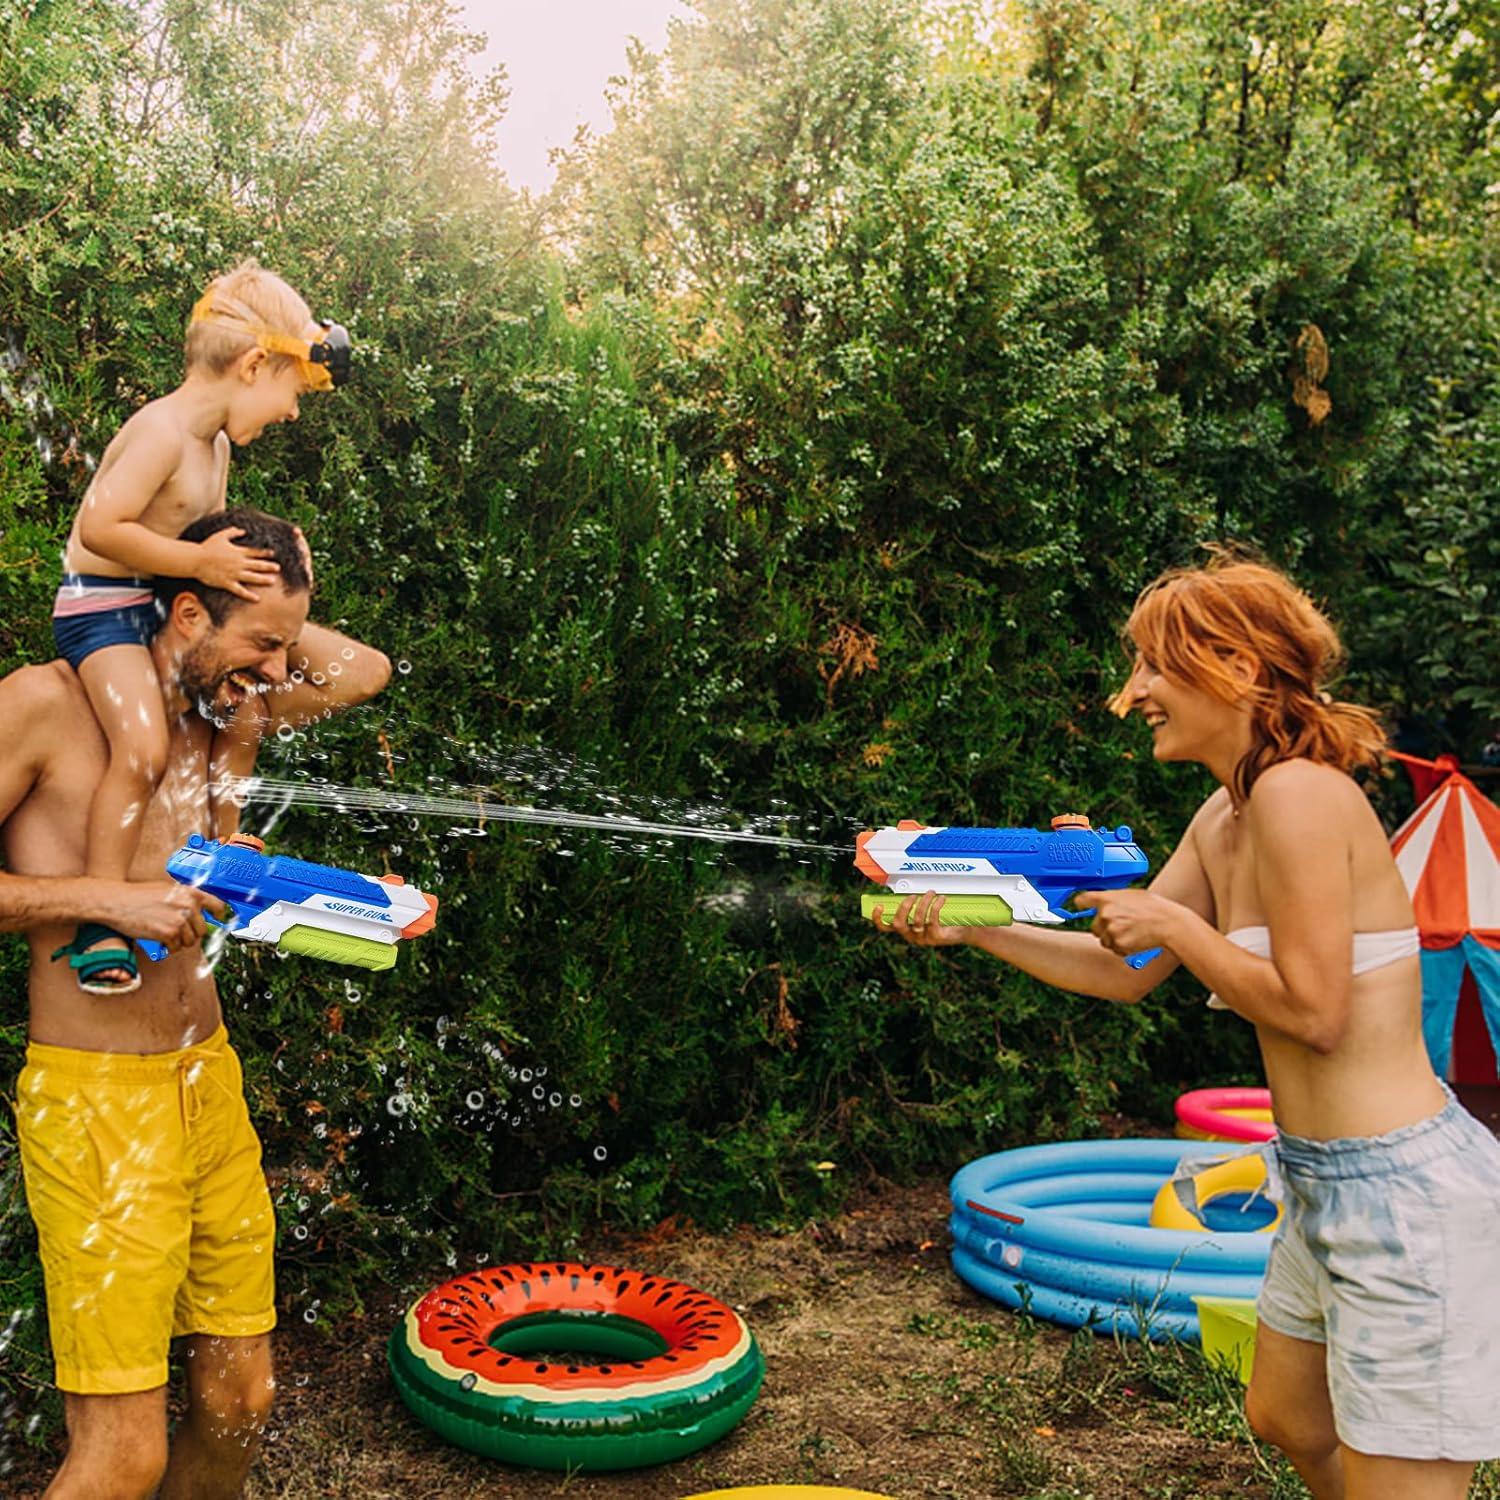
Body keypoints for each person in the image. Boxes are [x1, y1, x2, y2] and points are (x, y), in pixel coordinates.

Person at [873, 551, 1500, 1499]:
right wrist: (975, 920)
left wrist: (1174, 923)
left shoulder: (1300, 795)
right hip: (1321, 1176)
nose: (1135, 693)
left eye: (1153, 666)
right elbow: (1120, 971)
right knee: (1285, 1417)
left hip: (1402, 1195)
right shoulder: (1227, 813)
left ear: (1237, 669)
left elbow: (1316, 1012)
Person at [0, 508, 390, 1499]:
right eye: (261, 645)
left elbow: (364, 669)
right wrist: (102, 899)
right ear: (184, 612)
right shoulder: (42, 708)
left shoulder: (221, 707)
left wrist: (260, 592)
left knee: (239, 1401)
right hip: (97, 1104)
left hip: (206, 1083)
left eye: (281, 646)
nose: (276, 669)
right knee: (125, 1455)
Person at [52, 259, 353, 994]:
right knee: (145, 745)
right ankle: (103, 916)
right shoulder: (162, 432)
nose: (292, 412)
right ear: (254, 365)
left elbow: (213, 539)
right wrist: (196, 562)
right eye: (292, 391)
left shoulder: (213, 445)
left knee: (242, 709)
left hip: (158, 601)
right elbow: (98, 530)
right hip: (104, 608)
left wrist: (275, 546)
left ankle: (224, 851)